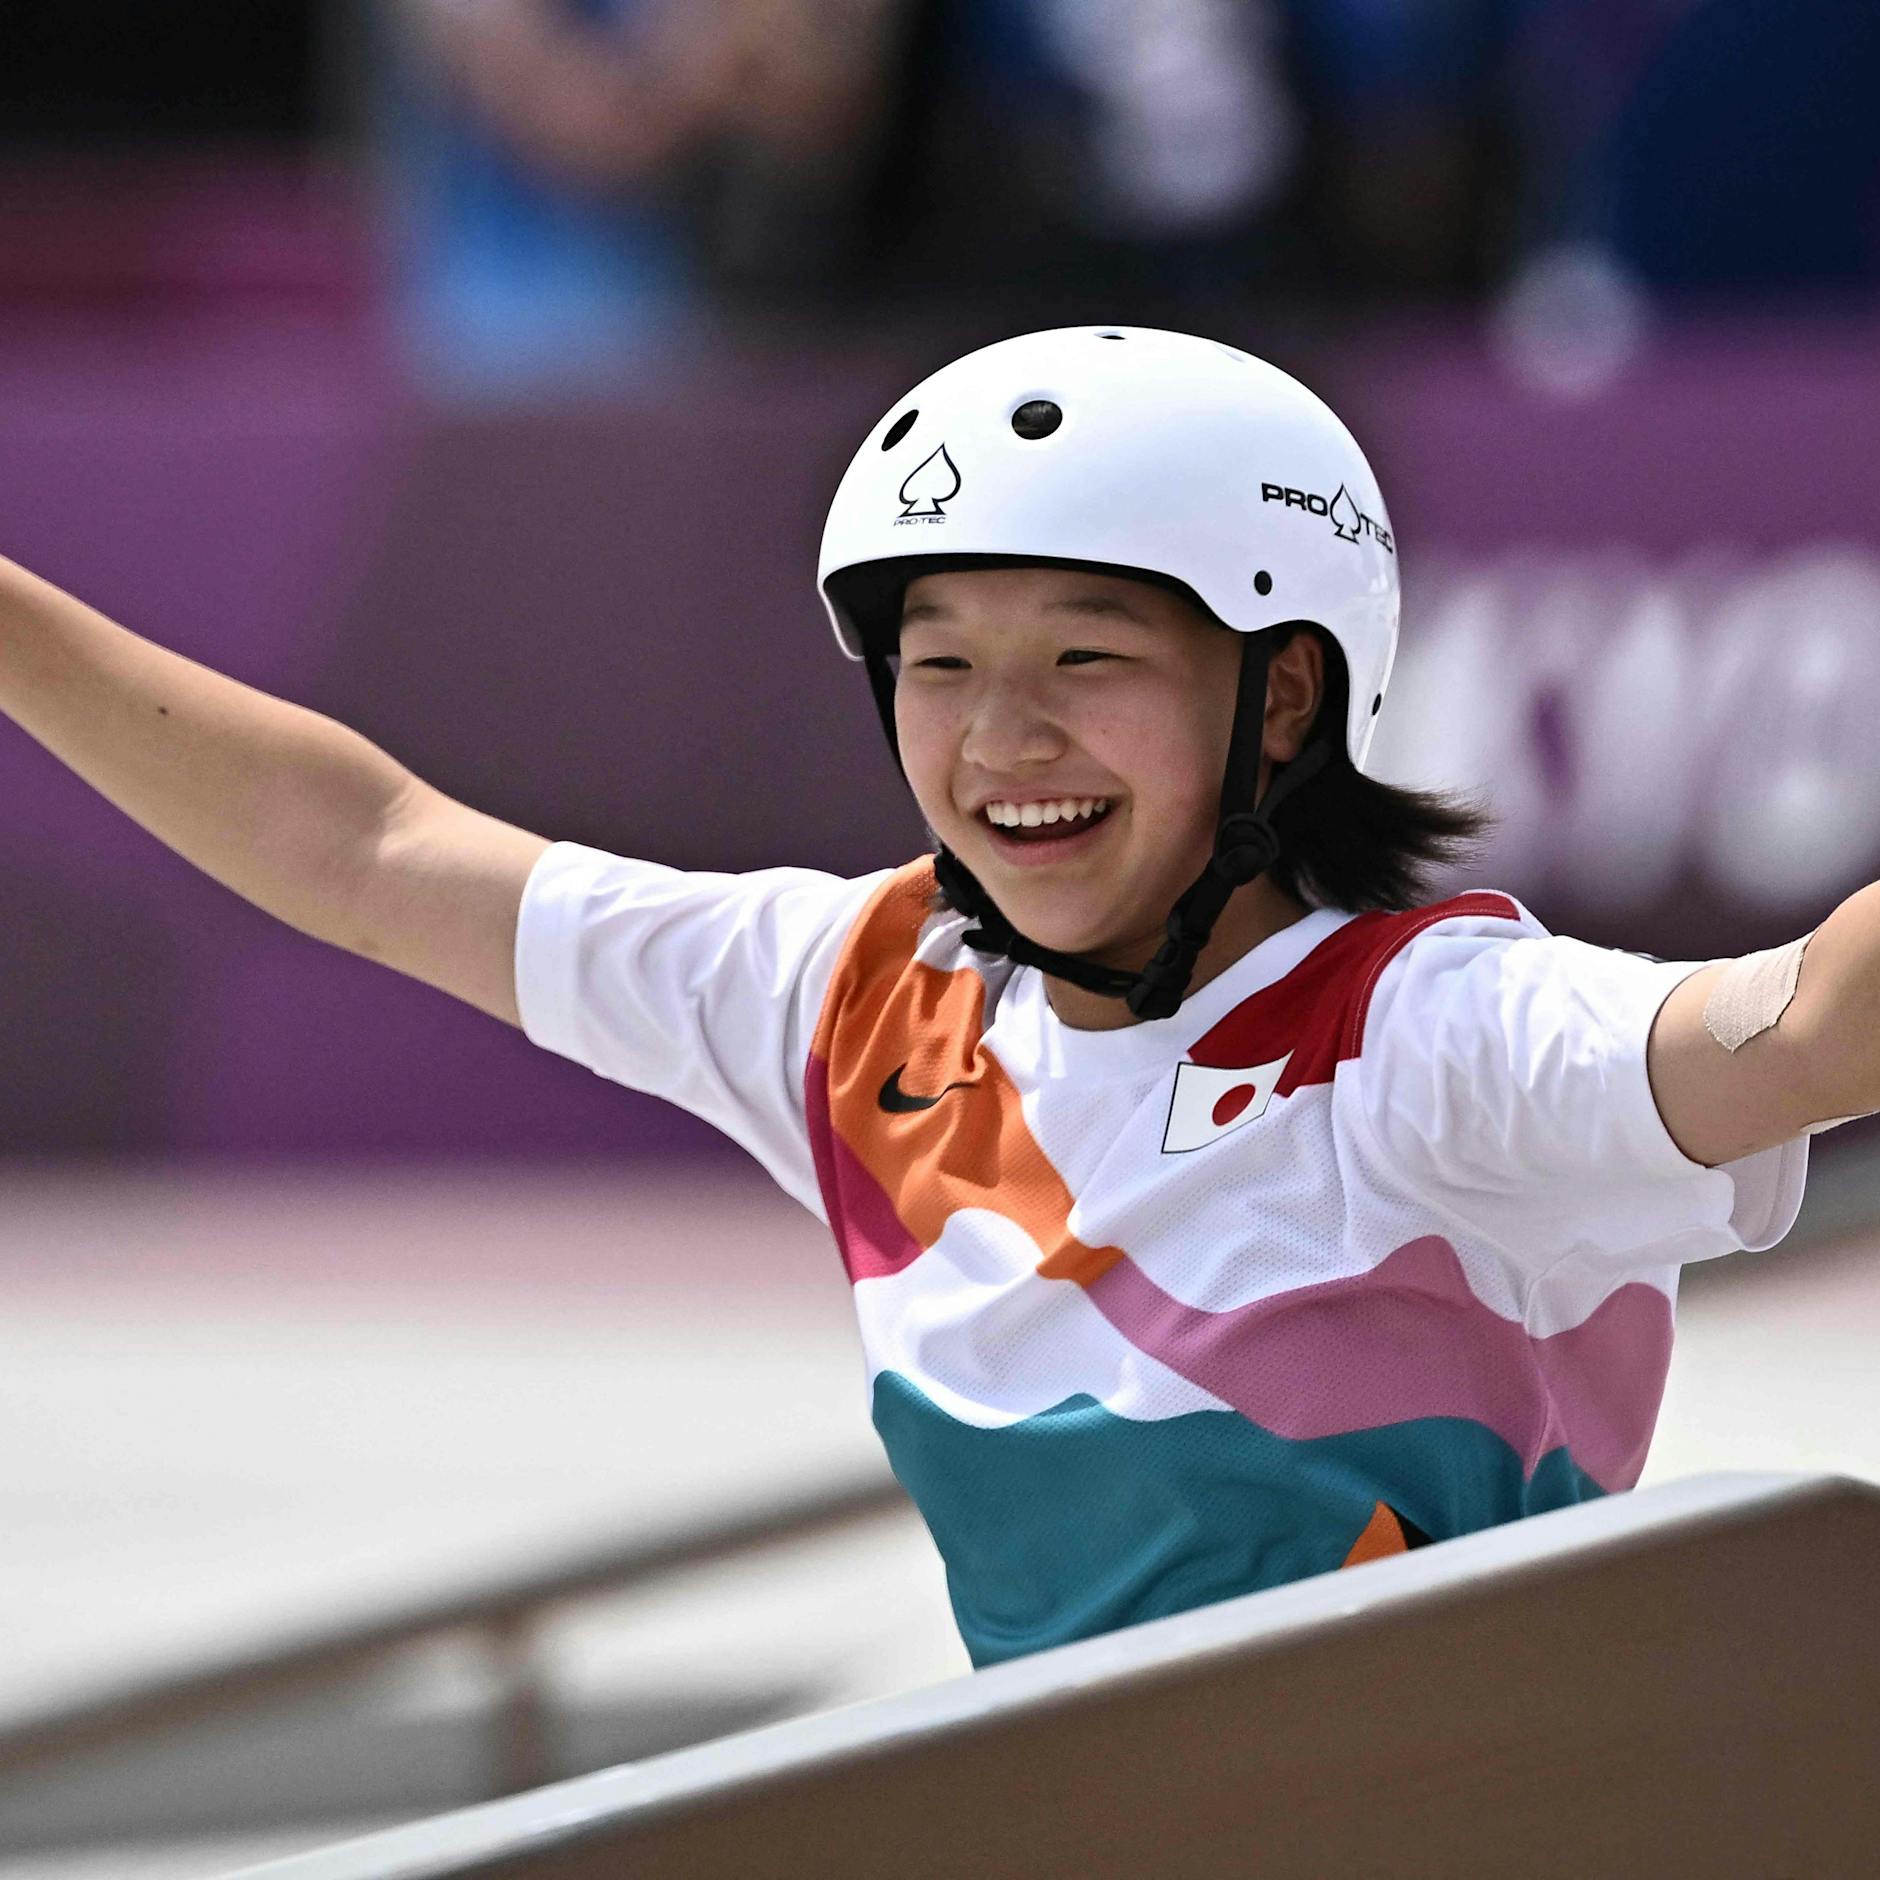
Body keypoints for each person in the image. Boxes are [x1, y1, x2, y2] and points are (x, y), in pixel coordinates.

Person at [0, 327, 1855, 1670]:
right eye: (938, 660)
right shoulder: (853, 991)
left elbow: (1816, 1025)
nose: (998, 739)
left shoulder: (1434, 1040)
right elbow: (372, 851)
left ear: (1284, 698)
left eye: (1084, 657)